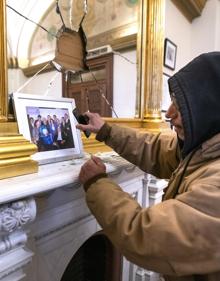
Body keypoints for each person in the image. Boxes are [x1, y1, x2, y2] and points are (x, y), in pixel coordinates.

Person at [77, 52, 220, 281]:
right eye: (172, 101)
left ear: (209, 109)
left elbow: (144, 235)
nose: (170, 115)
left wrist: (97, 184)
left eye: (181, 107)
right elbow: (155, 148)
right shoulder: (204, 144)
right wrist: (105, 130)